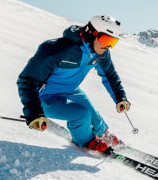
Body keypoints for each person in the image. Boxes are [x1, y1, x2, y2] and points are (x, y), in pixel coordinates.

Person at [17, 15, 131, 152]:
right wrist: (34, 112)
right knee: (82, 114)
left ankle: (103, 133)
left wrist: (120, 97)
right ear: (91, 33)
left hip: (70, 89)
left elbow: (110, 75)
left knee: (93, 114)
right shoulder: (57, 49)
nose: (108, 47)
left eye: (113, 42)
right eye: (106, 40)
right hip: (44, 96)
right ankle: (87, 141)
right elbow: (27, 80)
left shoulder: (100, 52)